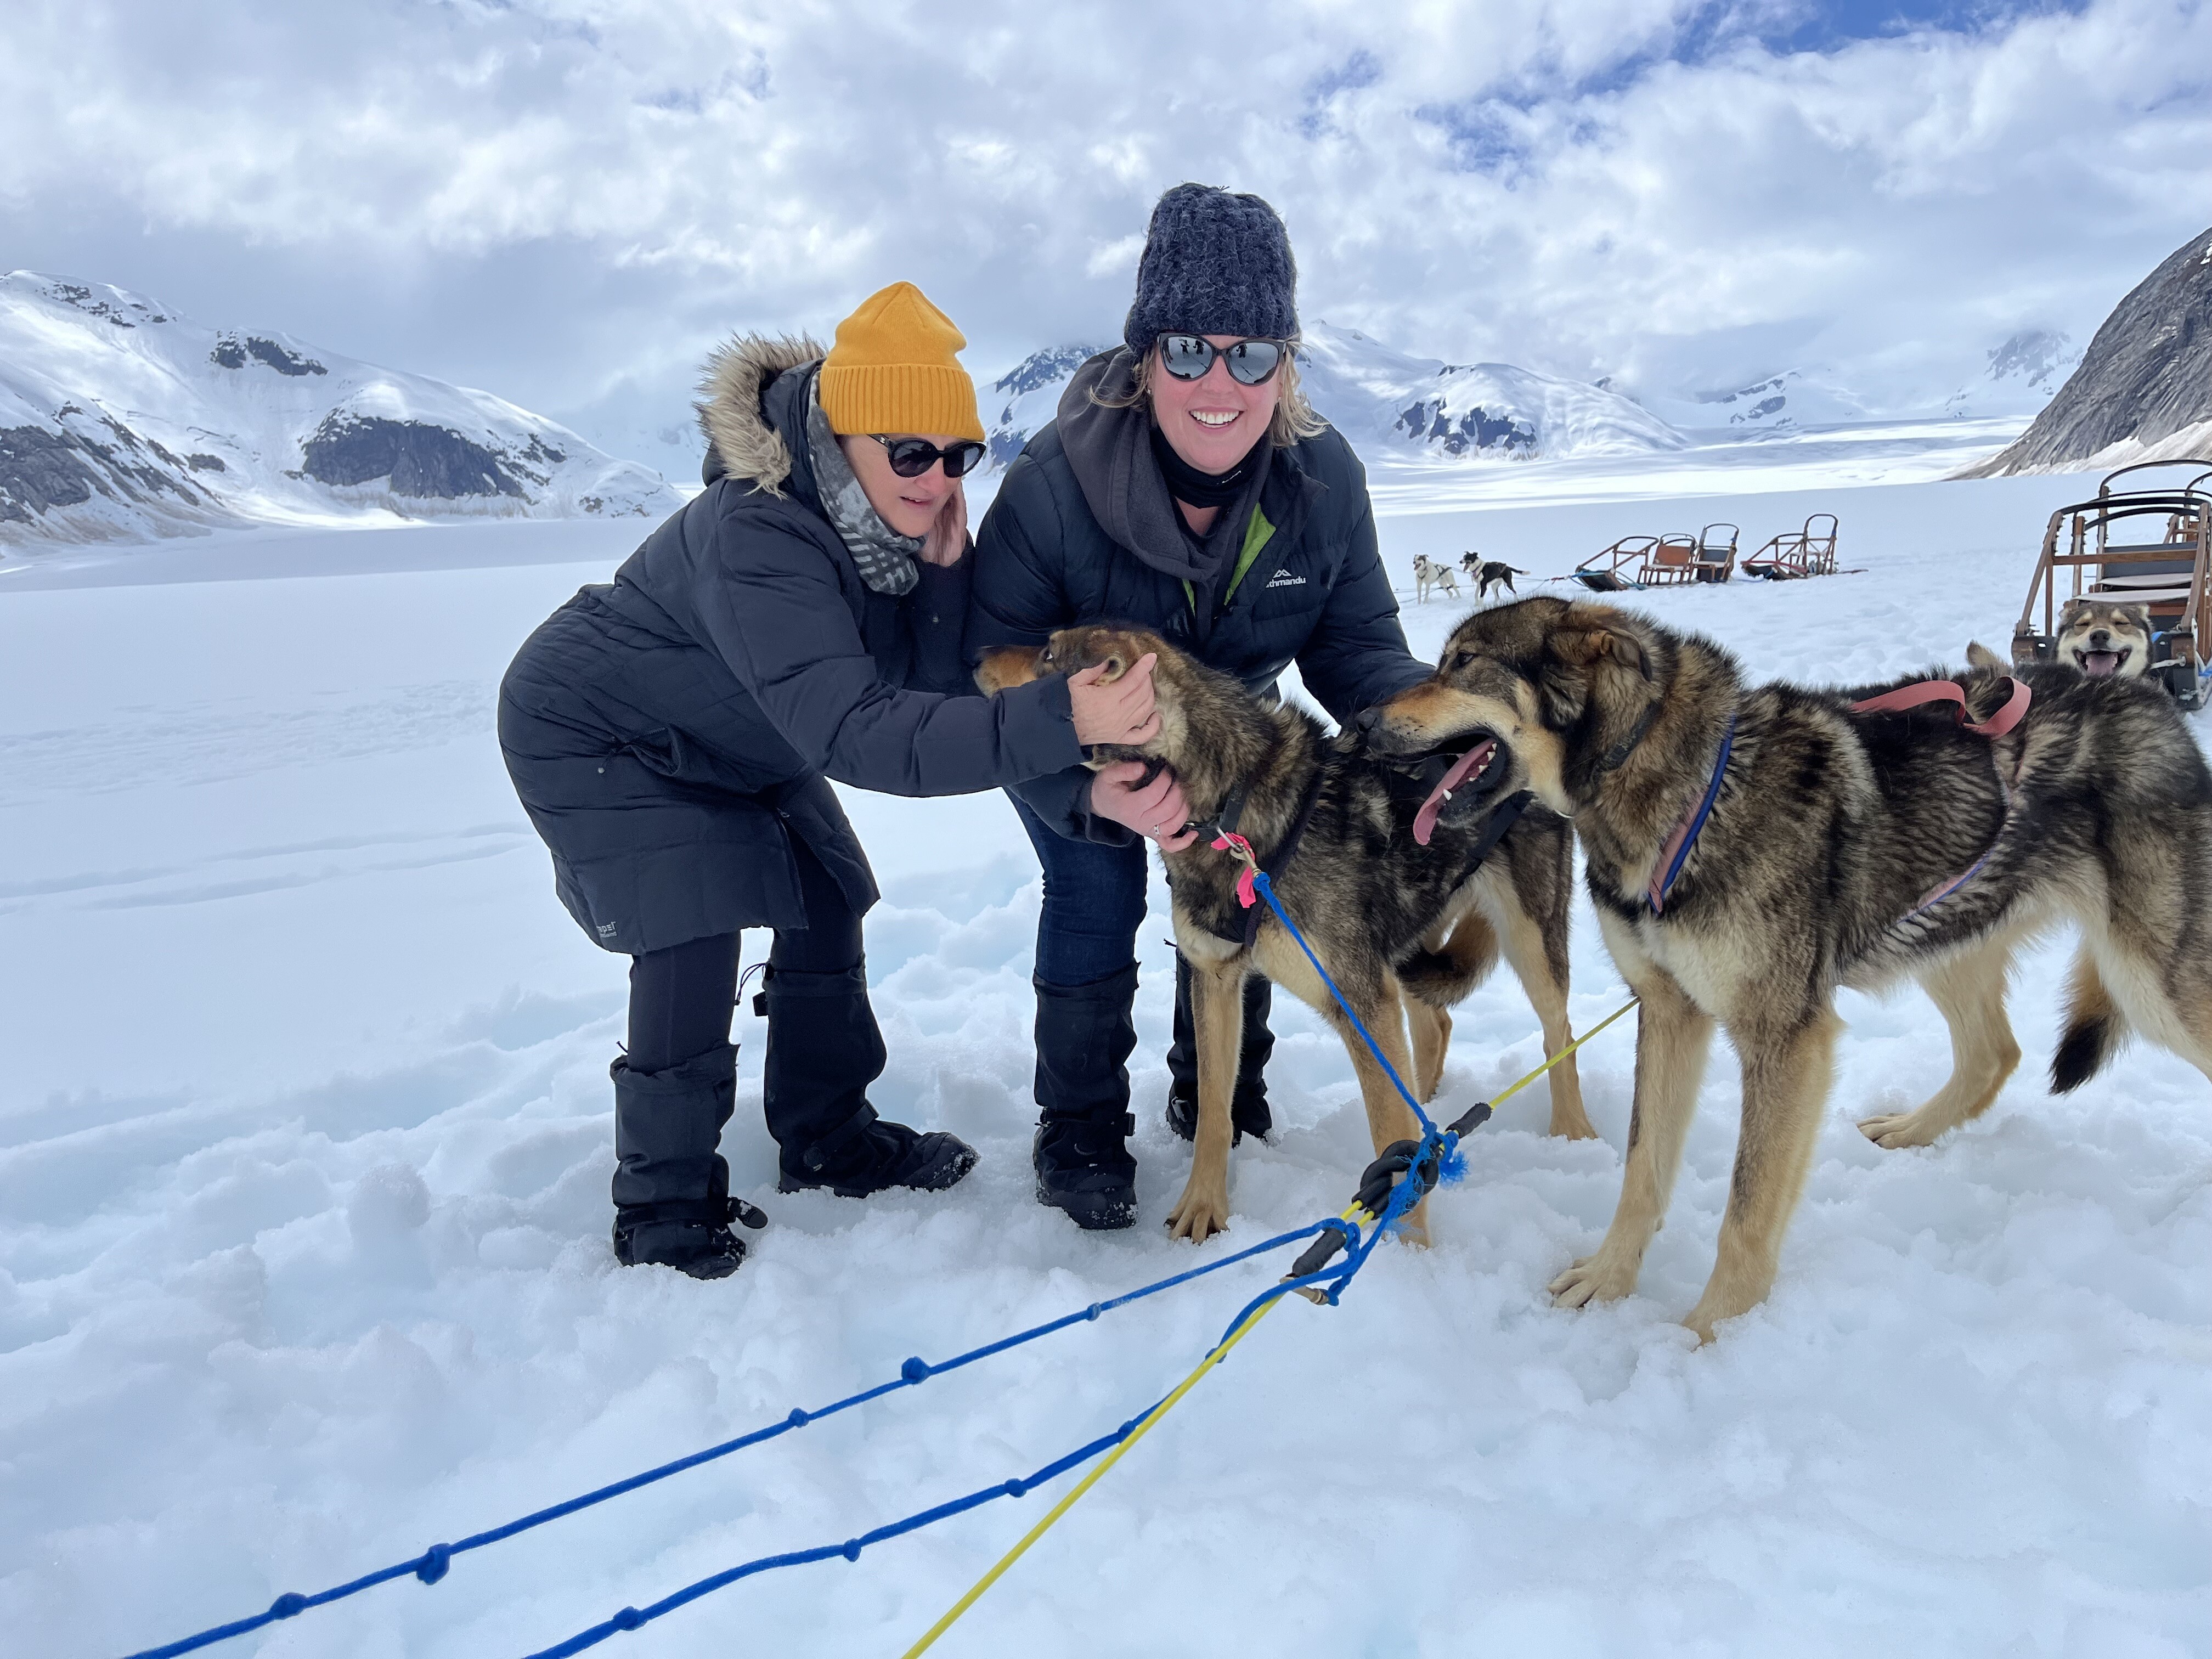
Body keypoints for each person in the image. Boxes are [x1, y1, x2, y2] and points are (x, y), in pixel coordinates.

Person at [499, 283, 1164, 1278]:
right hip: (602, 728)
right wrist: (1065, 715)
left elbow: (931, 689)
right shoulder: (757, 530)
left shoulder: (890, 531)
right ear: (840, 436)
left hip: (747, 737)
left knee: (826, 897)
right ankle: (665, 1205)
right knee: (694, 920)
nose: (937, 480)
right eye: (910, 453)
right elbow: (860, 732)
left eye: (957, 457)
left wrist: (943, 587)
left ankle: (827, 1137)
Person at [969, 184, 1432, 1231]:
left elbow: (1357, 648)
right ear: (1146, 359)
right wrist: (1091, 782)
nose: (1217, 382)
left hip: (1232, 740)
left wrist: (1430, 734)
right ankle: (1080, 1122)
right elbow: (988, 663)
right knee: (1094, 889)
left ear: (1286, 367)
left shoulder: (1322, 480)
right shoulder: (1054, 486)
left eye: (1251, 354)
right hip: (1075, 744)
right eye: (1187, 349)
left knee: (1248, 882)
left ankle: (1216, 1083)